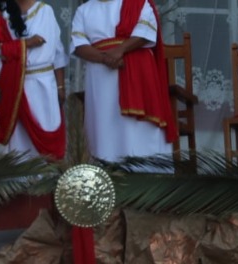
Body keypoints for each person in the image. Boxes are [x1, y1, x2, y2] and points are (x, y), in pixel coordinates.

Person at [71, 0, 175, 163]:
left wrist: (120, 50)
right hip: (100, 75)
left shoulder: (138, 3)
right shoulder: (83, 10)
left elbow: (145, 32)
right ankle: (108, 171)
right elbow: (78, 45)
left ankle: (146, 171)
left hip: (136, 70)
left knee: (136, 127)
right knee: (104, 125)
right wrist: (106, 59)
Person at [0, 0, 68, 159]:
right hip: (15, 86)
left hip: (45, 84)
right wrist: (25, 44)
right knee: (19, 140)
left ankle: (46, 181)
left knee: (49, 128)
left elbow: (57, 51)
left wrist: (61, 87)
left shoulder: (45, 11)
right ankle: (21, 182)